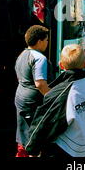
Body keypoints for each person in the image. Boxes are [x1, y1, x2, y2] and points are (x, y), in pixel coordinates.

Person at [25, 44, 85, 157]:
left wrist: (31, 149)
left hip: (69, 149)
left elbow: (42, 124)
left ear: (61, 65)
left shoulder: (61, 93)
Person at [14, 25, 51, 157]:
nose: (47, 43)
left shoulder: (22, 54)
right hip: (33, 102)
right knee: (34, 137)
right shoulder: (40, 58)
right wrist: (52, 98)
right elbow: (40, 83)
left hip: (20, 97)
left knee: (23, 133)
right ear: (39, 41)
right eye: (46, 40)